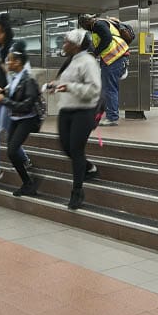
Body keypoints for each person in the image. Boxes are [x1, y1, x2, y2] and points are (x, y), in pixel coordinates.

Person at [48, 29, 102, 210]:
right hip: (66, 111)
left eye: (66, 42)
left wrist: (70, 87)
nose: (63, 45)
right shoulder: (70, 63)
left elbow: (94, 89)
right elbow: (66, 85)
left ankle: (77, 192)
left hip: (83, 112)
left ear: (77, 45)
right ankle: (88, 168)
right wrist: (54, 87)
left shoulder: (88, 62)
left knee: (76, 150)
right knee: (66, 146)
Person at [0, 16, 32, 186]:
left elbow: (24, 74)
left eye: (0, 32)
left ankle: (23, 158)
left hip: (8, 98)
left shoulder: (14, 50)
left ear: (7, 33)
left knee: (6, 130)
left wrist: (7, 89)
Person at [0, 41, 43, 196]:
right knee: (11, 151)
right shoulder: (15, 78)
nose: (8, 63)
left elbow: (26, 104)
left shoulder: (29, 80)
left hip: (27, 119)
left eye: (10, 60)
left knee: (12, 151)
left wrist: (3, 100)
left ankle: (29, 182)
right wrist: (3, 91)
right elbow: (14, 92)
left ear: (18, 62)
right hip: (16, 118)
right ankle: (28, 182)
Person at [78, 13, 129, 126]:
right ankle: (111, 115)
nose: (85, 28)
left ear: (86, 22)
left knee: (109, 88)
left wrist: (95, 53)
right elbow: (100, 42)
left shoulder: (98, 25)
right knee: (108, 88)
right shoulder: (100, 25)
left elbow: (107, 39)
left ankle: (112, 118)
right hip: (114, 58)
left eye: (84, 26)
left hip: (114, 58)